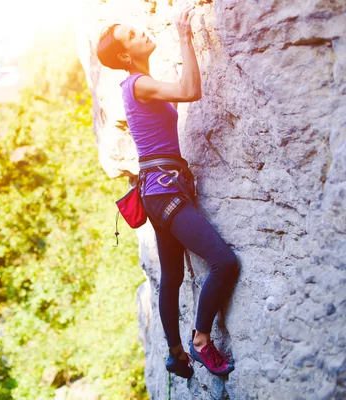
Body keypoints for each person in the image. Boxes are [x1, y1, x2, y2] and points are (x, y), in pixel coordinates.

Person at [96, 3, 240, 378]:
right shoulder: (139, 84)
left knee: (173, 277)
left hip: (158, 192)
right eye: (132, 35)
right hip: (164, 193)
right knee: (225, 263)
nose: (142, 31)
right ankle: (202, 341)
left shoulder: (137, 83)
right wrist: (185, 35)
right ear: (126, 54)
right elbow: (191, 90)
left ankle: (176, 355)